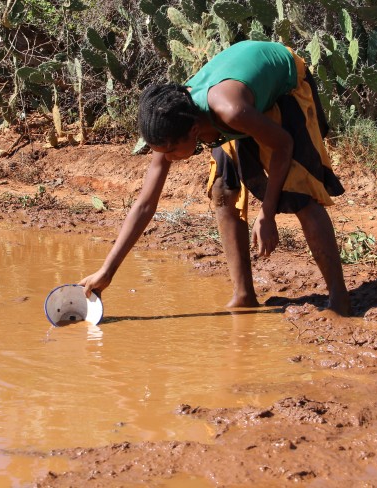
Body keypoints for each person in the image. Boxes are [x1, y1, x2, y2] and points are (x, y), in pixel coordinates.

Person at [79, 40, 352, 316]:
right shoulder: (171, 119)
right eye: (163, 152)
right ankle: (244, 295)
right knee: (222, 189)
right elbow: (145, 205)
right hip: (238, 104)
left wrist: (267, 213)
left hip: (284, 83)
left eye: (172, 151)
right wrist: (107, 271)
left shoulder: (230, 111)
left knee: (301, 194)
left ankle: (341, 301)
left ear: (194, 130)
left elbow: (284, 145)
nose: (169, 158)